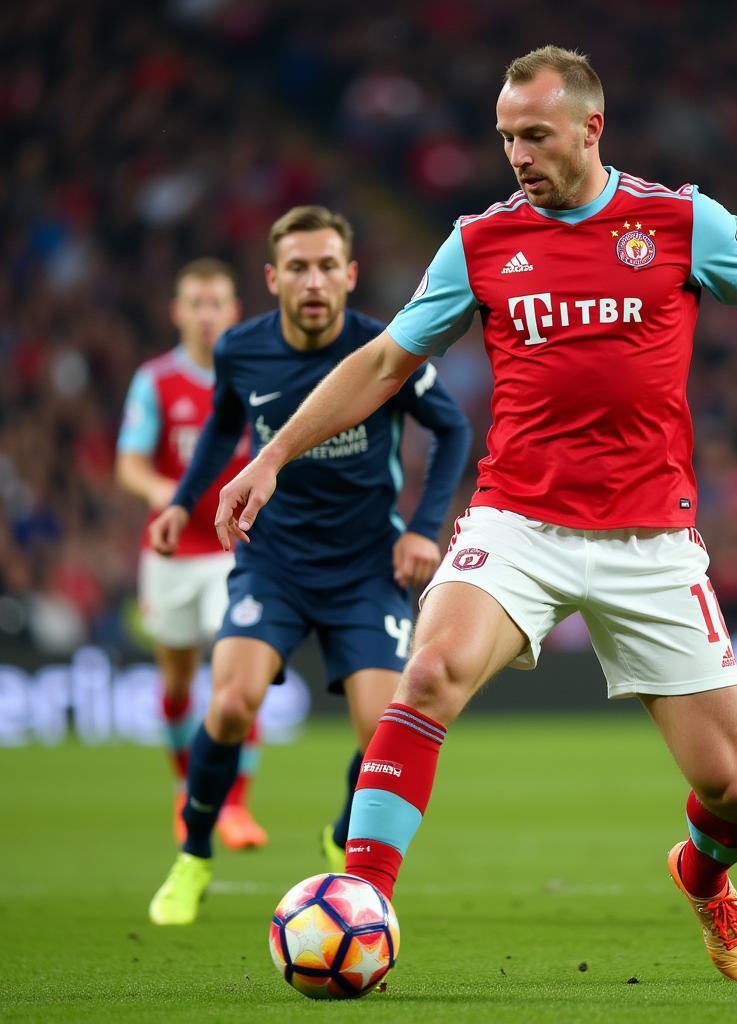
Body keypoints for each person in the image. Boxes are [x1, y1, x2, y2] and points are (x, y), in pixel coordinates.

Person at [211, 48, 737, 982]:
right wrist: (272, 454)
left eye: (535, 135)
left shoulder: (680, 221)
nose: (516, 154)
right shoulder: (479, 242)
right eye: (506, 137)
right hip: (517, 521)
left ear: (591, 129)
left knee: (731, 790)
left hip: (651, 537)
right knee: (430, 670)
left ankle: (704, 876)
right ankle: (365, 898)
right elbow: (384, 362)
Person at [147, 206, 472, 925]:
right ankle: (194, 856)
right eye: (298, 267)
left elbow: (451, 430)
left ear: (351, 275)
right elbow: (224, 427)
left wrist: (423, 530)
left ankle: (339, 831)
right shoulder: (241, 350)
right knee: (230, 705)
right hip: (276, 564)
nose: (314, 281)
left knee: (383, 730)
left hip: (366, 568)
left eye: (329, 266)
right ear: (273, 278)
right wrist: (181, 502)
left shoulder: (384, 350)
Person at [116, 259, 268, 850]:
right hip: (173, 552)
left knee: (238, 680)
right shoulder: (155, 381)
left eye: (217, 304)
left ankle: (234, 804)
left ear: (233, 312)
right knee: (178, 682)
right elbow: (128, 463)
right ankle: (188, 791)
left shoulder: (255, 376)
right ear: (178, 312)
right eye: (196, 304)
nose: (207, 315)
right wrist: (164, 494)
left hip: (235, 550)